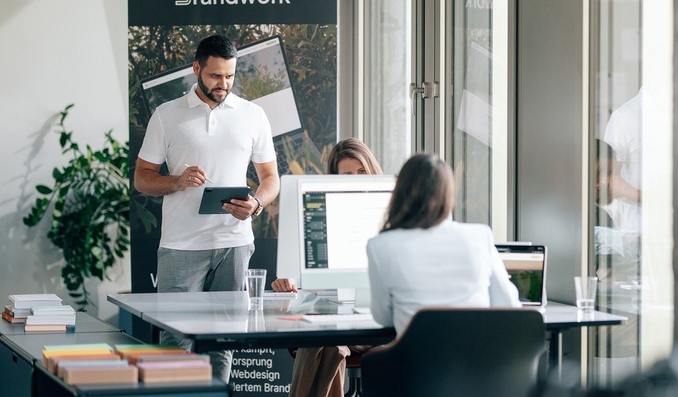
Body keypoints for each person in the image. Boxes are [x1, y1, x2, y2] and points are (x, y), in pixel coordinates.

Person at [133, 34, 280, 383]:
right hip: (181, 247)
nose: (223, 84)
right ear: (196, 69)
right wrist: (177, 182)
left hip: (234, 244)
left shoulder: (253, 115)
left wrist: (256, 203)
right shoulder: (166, 115)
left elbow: (271, 177)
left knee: (224, 343)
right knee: (175, 343)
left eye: (229, 76)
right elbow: (142, 179)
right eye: (215, 76)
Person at [271, 137, 381, 397]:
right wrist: (288, 280)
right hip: (334, 320)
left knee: (321, 341)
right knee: (325, 342)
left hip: (376, 323)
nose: (357, 179)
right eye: (348, 174)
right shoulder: (318, 214)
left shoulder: (390, 210)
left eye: (362, 172)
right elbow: (299, 275)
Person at [367, 153, 521, 337]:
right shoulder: (480, 236)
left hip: (418, 363)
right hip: (478, 362)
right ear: (448, 194)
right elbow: (509, 304)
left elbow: (382, 317)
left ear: (400, 192)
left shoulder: (381, 246)